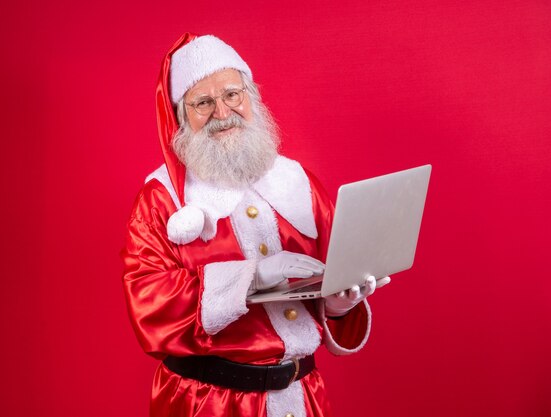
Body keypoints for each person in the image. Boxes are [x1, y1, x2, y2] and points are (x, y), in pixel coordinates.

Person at [122, 33, 391, 417]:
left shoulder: (299, 183)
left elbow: (334, 274)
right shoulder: (161, 200)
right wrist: (251, 276)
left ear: (252, 97)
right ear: (182, 118)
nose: (222, 111)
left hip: (303, 398)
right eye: (203, 102)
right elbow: (148, 306)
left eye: (232, 94)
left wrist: (338, 304)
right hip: (209, 404)